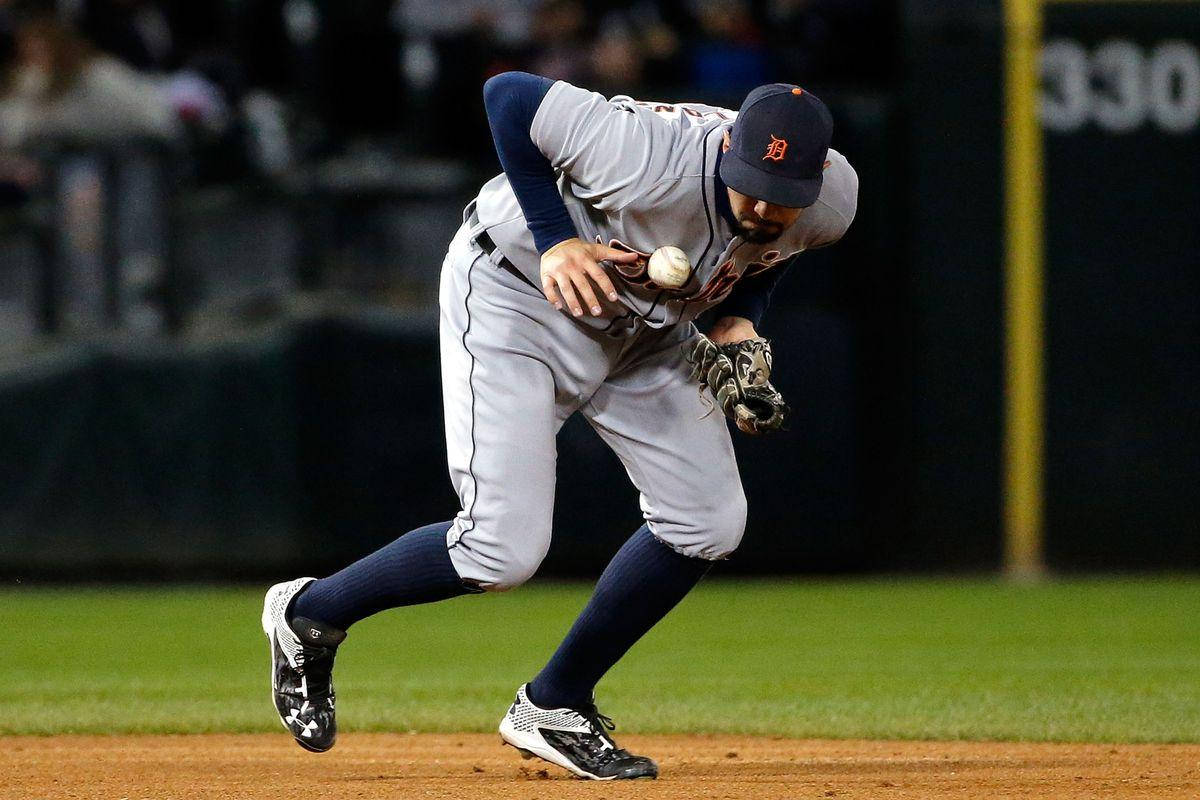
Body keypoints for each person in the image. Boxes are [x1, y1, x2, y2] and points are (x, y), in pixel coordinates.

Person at [262, 71, 858, 780]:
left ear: (818, 176)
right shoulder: (644, 152)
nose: (763, 204)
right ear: (728, 143)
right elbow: (506, 95)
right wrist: (554, 240)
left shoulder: (833, 200)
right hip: (519, 297)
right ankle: (308, 614)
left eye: (784, 194)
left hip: (645, 330)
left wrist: (737, 324)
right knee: (500, 551)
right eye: (751, 180)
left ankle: (555, 703)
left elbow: (763, 255)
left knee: (708, 522)